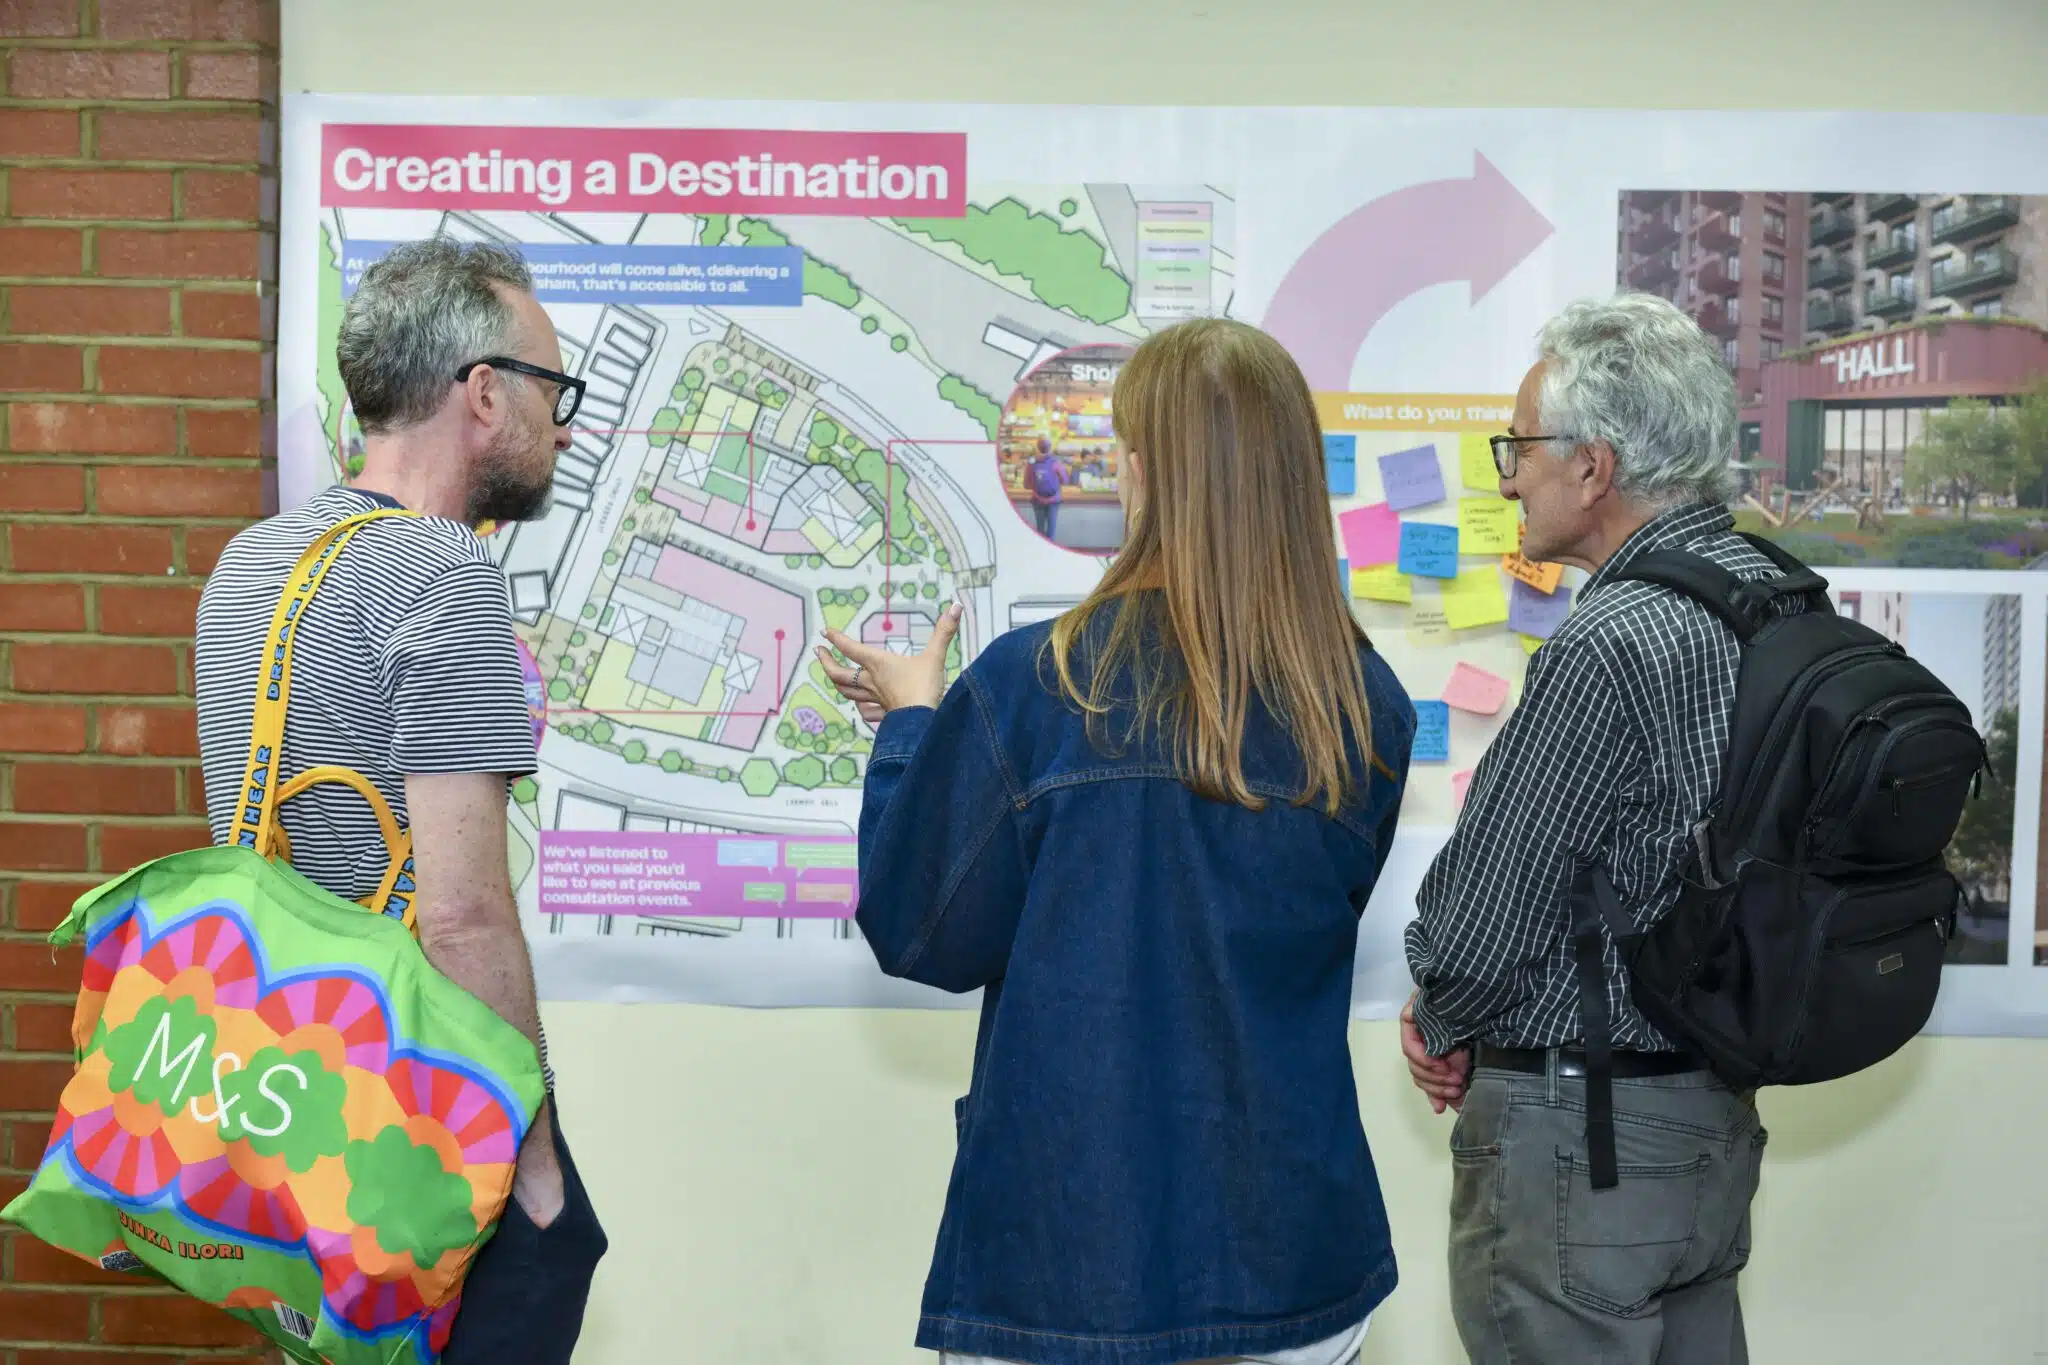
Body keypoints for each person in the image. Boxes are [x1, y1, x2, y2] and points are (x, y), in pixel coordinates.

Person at [819, 318, 1416, 1365]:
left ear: (1140, 472)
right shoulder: (1361, 702)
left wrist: (915, 724)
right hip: (1290, 1261)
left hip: (1063, 1265)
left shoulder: (1033, 684)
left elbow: (922, 932)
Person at [194, 238, 606, 1363]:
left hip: (288, 1108)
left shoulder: (250, 561)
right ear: (485, 394)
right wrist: (533, 1163)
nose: (564, 426)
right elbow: (461, 915)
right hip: (425, 1127)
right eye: (553, 389)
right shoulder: (442, 572)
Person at [1401, 293, 1777, 1365]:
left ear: (1592, 467)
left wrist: (1440, 1013)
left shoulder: (1611, 638)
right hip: (1712, 1122)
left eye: (1519, 448)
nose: (1506, 478)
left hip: (1585, 1139)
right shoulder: (1773, 599)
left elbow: (1491, 911)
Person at [1027, 434, 1068, 540]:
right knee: (1050, 532)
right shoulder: (1055, 462)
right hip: (1053, 500)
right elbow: (1065, 481)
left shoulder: (1032, 462)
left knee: (1040, 531)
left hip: (1037, 499)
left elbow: (1026, 484)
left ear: (1037, 446)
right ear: (1050, 447)